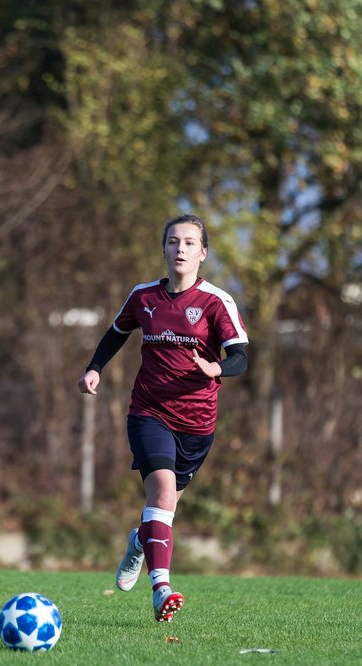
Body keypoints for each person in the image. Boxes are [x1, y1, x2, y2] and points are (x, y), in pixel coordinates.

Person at [77, 214, 248, 622]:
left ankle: (139, 542)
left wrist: (216, 369)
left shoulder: (216, 302)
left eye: (190, 243)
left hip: (198, 424)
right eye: (173, 242)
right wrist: (94, 367)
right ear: (164, 249)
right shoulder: (143, 296)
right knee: (163, 495)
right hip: (149, 412)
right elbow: (117, 332)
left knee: (163, 510)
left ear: (203, 253)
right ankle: (161, 589)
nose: (181, 250)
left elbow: (240, 356)